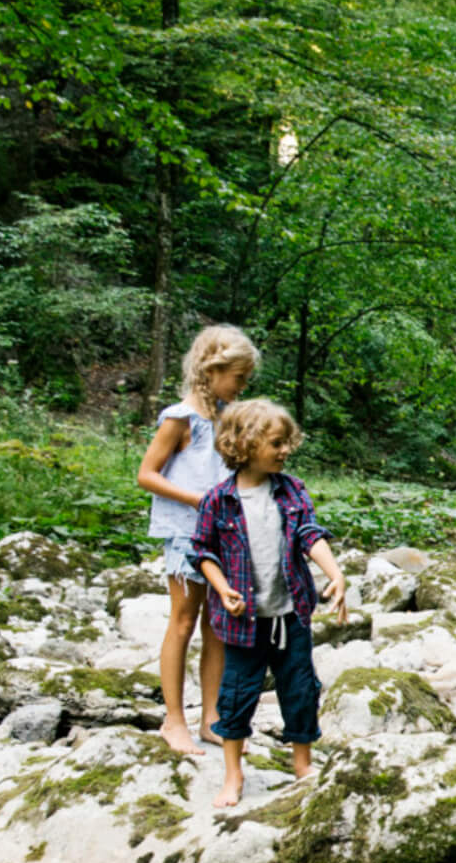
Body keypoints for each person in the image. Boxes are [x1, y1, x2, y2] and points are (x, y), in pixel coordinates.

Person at [193, 399, 348, 810]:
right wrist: (223, 589)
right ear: (244, 444)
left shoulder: (292, 490)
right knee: (236, 693)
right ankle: (233, 773)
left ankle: (302, 763)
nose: (285, 451)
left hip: (290, 613)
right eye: (277, 443)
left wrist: (334, 573)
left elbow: (309, 535)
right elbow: (203, 552)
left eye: (287, 443)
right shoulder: (217, 500)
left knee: (299, 688)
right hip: (242, 623)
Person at [135, 325, 257, 754]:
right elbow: (146, 475)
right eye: (237, 378)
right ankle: (173, 720)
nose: (241, 387)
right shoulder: (179, 419)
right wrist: (196, 499)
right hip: (186, 534)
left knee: (218, 626)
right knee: (184, 620)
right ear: (213, 370)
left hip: (223, 536)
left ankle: (212, 718)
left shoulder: (228, 419)